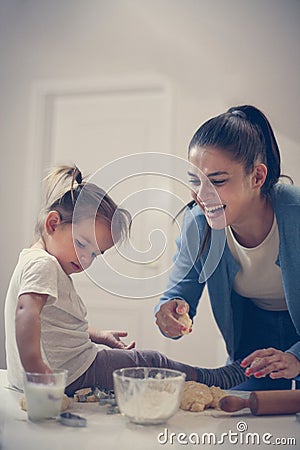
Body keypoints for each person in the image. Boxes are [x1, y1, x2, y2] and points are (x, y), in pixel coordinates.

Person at [5, 164, 248, 395]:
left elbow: (52, 323)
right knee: (151, 362)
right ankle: (211, 379)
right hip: (69, 373)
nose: (86, 259)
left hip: (60, 371)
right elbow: (26, 314)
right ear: (53, 224)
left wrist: (98, 334)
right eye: (81, 244)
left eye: (94, 254)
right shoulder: (43, 265)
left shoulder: (36, 260)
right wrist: (36, 369)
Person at [155, 105, 300, 391]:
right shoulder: (199, 225)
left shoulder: (295, 213)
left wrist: (296, 357)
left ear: (257, 177)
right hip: (255, 342)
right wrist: (168, 313)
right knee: (237, 414)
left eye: (218, 181)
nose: (202, 195)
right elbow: (178, 293)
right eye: (194, 181)